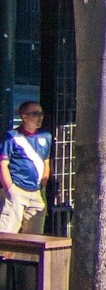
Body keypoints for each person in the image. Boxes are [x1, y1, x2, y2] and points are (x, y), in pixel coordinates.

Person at [0, 100, 51, 233]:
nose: (40, 117)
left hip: (37, 191)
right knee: (7, 232)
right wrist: (10, 188)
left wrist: (42, 187)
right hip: (17, 189)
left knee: (35, 235)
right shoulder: (12, 137)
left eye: (41, 113)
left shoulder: (46, 136)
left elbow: (46, 162)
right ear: (24, 116)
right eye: (35, 114)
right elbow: (3, 164)